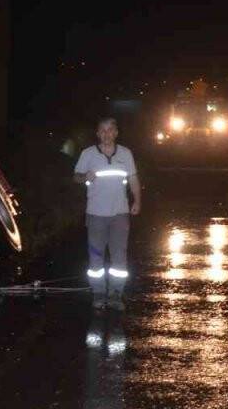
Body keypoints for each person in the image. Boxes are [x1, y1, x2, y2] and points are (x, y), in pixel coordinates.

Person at [74, 117, 142, 311]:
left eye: (110, 130)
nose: (106, 134)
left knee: (119, 257)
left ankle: (115, 295)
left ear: (116, 133)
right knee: (96, 256)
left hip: (120, 214)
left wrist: (137, 201)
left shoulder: (126, 154)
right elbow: (76, 176)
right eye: (102, 130)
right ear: (97, 133)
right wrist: (84, 176)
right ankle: (98, 293)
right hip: (95, 214)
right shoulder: (88, 154)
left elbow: (134, 179)